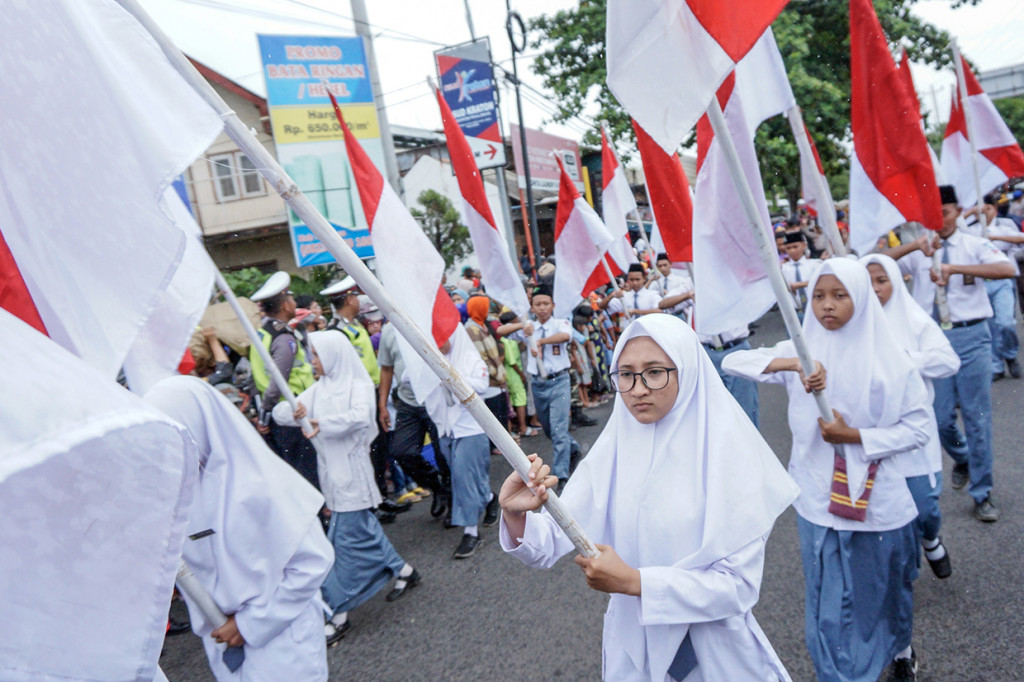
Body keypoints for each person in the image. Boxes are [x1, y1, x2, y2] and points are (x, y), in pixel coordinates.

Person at [499, 314, 799, 681]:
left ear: (686, 371)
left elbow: (737, 587)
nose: (638, 388)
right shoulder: (614, 449)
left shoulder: (731, 453)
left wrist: (636, 582)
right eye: (626, 374)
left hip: (714, 655)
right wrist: (517, 515)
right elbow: (549, 543)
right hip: (633, 649)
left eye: (655, 372)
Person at [723, 259, 932, 681]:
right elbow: (732, 363)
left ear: (860, 298)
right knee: (829, 605)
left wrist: (854, 436)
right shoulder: (802, 349)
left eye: (839, 295)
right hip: (819, 501)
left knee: (882, 595)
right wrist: (792, 365)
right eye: (819, 296)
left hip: (879, 502)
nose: (827, 306)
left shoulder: (892, 361)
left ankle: (898, 651)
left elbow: (918, 429)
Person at [144, 377, 333, 682]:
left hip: (282, 640)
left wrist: (250, 624)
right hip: (223, 643)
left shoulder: (260, 484)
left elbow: (313, 562)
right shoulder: (179, 493)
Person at [272, 331, 420, 644]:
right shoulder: (318, 389)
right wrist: (294, 412)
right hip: (333, 478)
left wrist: (317, 422)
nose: (312, 361)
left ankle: (338, 612)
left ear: (333, 355)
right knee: (363, 530)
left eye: (316, 355)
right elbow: (280, 413)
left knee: (342, 545)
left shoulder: (360, 386)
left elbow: (357, 419)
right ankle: (404, 571)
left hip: (353, 476)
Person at [884, 185, 1015, 522]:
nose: (939, 220)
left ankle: (983, 492)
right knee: (939, 418)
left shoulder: (973, 243)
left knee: (976, 417)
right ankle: (963, 457)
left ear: (958, 211)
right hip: (931, 340)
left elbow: (1007, 270)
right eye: (932, 214)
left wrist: (956, 269)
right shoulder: (923, 246)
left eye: (945, 212)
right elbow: (877, 265)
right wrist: (915, 245)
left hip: (971, 335)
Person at [861, 254, 960, 581]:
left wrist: (904, 360)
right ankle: (901, 575)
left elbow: (948, 362)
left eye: (882, 280)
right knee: (885, 510)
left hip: (914, 432)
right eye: (868, 281)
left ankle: (931, 539)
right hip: (873, 434)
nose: (874, 289)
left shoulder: (914, 319)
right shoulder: (853, 324)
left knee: (925, 507)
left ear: (895, 281)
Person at [425, 325, 499, 559]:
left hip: (471, 428)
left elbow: (482, 385)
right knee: (464, 477)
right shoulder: (432, 357)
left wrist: (451, 374)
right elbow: (409, 379)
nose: (439, 343)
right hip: (447, 428)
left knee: (463, 476)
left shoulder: (469, 358)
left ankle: (471, 533)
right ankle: (489, 498)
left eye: (442, 337)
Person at [249, 271, 318, 489]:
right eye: (291, 298)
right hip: (293, 413)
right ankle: (323, 520)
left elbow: (257, 378)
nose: (294, 302)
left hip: (282, 413)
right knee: (309, 474)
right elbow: (278, 381)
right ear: (286, 306)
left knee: (298, 472)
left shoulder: (262, 334)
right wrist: (265, 416)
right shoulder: (283, 337)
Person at [511, 284, 581, 490]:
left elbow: (565, 337)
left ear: (553, 305)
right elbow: (500, 330)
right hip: (538, 384)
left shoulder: (561, 322)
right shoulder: (528, 326)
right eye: (537, 304)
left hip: (559, 381)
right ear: (532, 307)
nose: (542, 308)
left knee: (559, 429)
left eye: (546, 304)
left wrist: (538, 341)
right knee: (550, 429)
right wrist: (521, 327)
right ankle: (573, 448)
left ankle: (561, 475)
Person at [966, 196, 1024, 379]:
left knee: (1005, 323)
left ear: (996, 209)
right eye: (981, 209)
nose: (985, 213)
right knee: (990, 327)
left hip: (1003, 281)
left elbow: (1020, 238)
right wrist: (972, 212)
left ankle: (1010, 355)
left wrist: (994, 237)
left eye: (988, 209)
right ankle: (997, 366)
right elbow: (957, 226)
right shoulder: (972, 230)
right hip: (982, 283)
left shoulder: (1005, 224)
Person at [498, 311, 534, 439]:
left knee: (513, 401)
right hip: (514, 374)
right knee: (520, 400)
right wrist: (521, 375)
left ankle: (516, 428)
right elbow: (512, 361)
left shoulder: (509, 339)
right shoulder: (507, 342)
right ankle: (523, 427)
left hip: (512, 374)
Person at [780, 232, 821, 323]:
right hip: (795, 311)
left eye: (795, 247)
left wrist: (800, 285)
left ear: (804, 245)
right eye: (788, 248)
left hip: (814, 309)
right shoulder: (783, 269)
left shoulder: (814, 264)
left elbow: (821, 281)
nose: (792, 251)